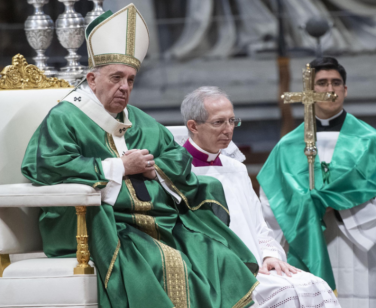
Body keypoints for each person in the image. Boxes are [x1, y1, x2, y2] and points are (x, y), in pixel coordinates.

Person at [21, 5, 259, 308]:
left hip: (155, 221)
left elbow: (176, 156)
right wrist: (119, 166)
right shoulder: (66, 117)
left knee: (219, 256)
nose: (124, 87)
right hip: (102, 225)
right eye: (116, 77)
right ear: (92, 79)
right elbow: (44, 166)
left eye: (130, 80)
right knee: (167, 264)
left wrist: (154, 169)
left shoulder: (138, 119)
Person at [178, 86, 341, 308]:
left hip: (257, 265)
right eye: (219, 122)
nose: (228, 130)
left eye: (232, 121)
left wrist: (269, 255)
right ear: (193, 126)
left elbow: (258, 225)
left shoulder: (235, 168)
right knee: (286, 294)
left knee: (316, 285)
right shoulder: (178, 172)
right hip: (213, 270)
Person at [258, 57, 376, 307]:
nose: (329, 89)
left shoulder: (372, 141)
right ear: (308, 90)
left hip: (359, 244)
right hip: (304, 239)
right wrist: (302, 211)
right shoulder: (286, 146)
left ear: (345, 89)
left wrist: (339, 206)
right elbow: (270, 200)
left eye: (336, 82)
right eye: (321, 83)